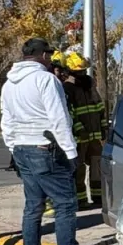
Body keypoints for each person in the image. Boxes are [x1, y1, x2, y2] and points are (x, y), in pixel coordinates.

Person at [2, 38, 105, 245]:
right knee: (66, 205)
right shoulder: (45, 80)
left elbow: (6, 121)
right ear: (43, 55)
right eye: (49, 54)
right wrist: (71, 154)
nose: (51, 59)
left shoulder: (9, 84)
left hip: (22, 149)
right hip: (46, 148)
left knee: (33, 208)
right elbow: (59, 119)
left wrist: (12, 147)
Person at [51, 50, 107, 205]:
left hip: (95, 135)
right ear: (70, 71)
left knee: (97, 166)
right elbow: (69, 112)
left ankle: (98, 196)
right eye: (78, 71)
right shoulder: (67, 87)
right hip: (80, 136)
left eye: (83, 70)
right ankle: (80, 199)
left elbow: (99, 106)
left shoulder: (90, 84)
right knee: (79, 169)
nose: (82, 73)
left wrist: (103, 127)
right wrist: (79, 129)